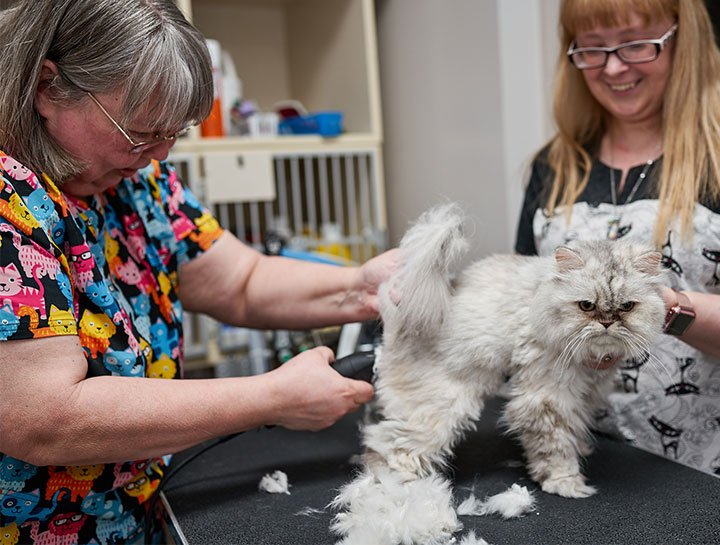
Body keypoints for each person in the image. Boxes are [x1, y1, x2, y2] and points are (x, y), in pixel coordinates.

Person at [0, 1, 399, 543]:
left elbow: (239, 281)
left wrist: (361, 288)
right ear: (48, 88)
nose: (160, 154)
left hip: (138, 515)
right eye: (141, 132)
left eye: (173, 133)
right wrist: (270, 398)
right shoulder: (9, 205)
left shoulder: (134, 178)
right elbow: (45, 418)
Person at [516, 0, 720, 475]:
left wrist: (658, 306)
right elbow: (526, 303)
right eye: (591, 49)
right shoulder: (555, 166)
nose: (612, 68)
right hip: (575, 458)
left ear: (680, 41)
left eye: (635, 45)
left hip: (698, 469)